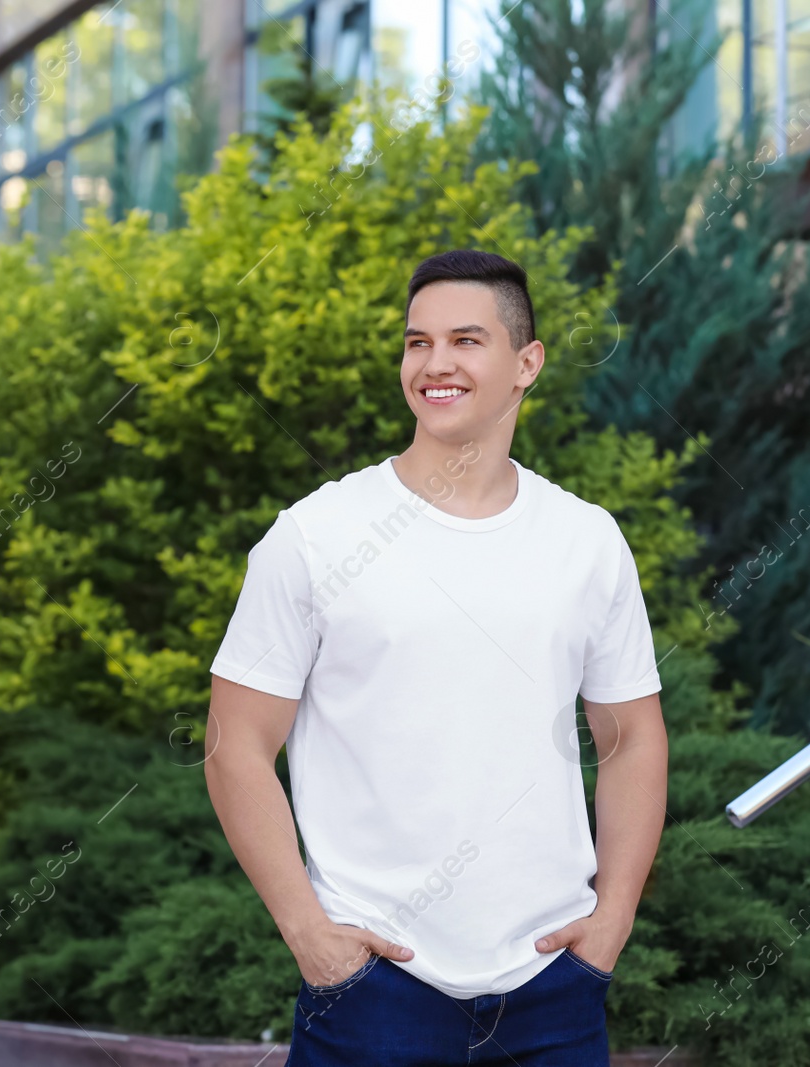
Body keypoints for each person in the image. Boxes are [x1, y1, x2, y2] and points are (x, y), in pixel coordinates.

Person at [204, 249, 669, 1065]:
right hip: (372, 990)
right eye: (418, 343)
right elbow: (234, 744)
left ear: (528, 363)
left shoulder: (587, 540)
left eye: (465, 340)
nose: (435, 364)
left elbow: (631, 736)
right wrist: (308, 930)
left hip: (553, 987)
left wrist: (613, 915)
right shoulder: (316, 536)